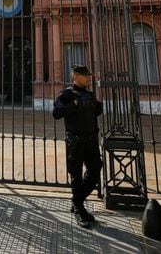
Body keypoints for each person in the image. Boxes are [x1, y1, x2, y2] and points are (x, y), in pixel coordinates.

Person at [52, 65, 103, 228]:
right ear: (75, 76)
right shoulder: (66, 94)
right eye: (85, 75)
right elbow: (56, 113)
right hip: (75, 141)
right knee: (76, 175)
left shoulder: (89, 94)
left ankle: (76, 201)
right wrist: (73, 105)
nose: (88, 78)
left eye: (88, 75)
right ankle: (80, 211)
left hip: (91, 140)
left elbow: (97, 110)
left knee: (95, 171)